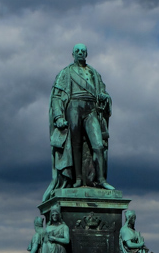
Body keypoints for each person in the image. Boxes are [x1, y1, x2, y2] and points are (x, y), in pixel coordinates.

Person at [43, 43, 115, 201]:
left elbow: (101, 91)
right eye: (77, 51)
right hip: (73, 107)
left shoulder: (94, 73)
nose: (80, 53)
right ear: (73, 54)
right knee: (75, 145)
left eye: (83, 51)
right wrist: (58, 117)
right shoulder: (66, 73)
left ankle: (101, 180)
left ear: (87, 54)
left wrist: (104, 96)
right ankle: (77, 179)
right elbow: (56, 97)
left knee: (98, 145)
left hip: (91, 108)